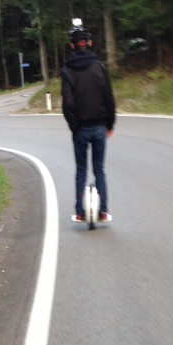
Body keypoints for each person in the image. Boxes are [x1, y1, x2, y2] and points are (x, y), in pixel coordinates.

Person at [61, 21, 116, 223]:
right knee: (99, 169)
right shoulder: (99, 67)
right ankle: (103, 212)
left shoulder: (67, 70)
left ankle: (79, 212)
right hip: (100, 126)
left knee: (81, 170)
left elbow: (68, 103)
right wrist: (110, 124)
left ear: (73, 45)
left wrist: (75, 127)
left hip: (80, 129)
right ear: (89, 43)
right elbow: (108, 97)